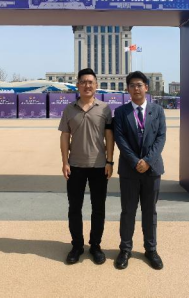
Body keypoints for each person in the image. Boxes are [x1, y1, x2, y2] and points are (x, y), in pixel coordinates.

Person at [59, 68, 115, 265]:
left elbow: (109, 137)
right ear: (78, 85)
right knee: (74, 208)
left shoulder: (105, 109)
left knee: (98, 208)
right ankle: (77, 245)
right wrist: (65, 162)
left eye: (91, 82)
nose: (87, 85)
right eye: (83, 82)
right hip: (75, 166)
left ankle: (95, 246)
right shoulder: (69, 109)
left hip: (99, 166)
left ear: (96, 85)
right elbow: (65, 136)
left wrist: (110, 161)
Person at [113, 71, 167, 271]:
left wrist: (148, 161)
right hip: (129, 170)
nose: (136, 88)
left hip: (152, 170)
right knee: (128, 211)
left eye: (139, 85)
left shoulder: (157, 111)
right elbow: (120, 139)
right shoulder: (121, 112)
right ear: (127, 89)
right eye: (132, 85)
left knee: (149, 211)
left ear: (146, 87)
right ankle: (125, 249)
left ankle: (151, 250)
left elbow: (161, 137)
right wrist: (136, 161)